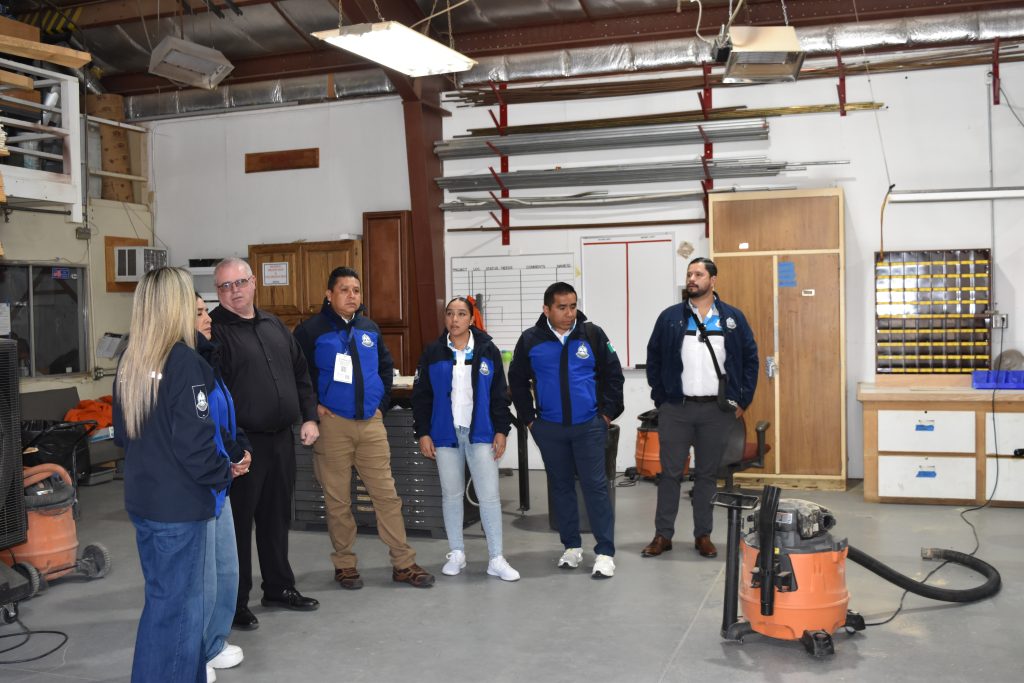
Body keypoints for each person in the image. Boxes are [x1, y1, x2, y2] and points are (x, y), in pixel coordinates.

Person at [113, 267, 236, 683]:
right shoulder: (185, 362)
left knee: (163, 606)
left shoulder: (131, 361)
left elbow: (124, 436)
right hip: (178, 510)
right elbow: (196, 446)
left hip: (145, 501)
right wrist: (226, 471)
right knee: (181, 612)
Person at [293, 267, 435, 589]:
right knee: (338, 501)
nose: (352, 296)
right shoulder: (310, 331)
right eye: (344, 290)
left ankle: (403, 562)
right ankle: (344, 564)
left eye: (356, 290)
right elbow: (296, 375)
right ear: (329, 295)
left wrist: (380, 406)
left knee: (387, 496)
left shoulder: (369, 328)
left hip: (370, 425)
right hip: (333, 427)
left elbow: (385, 368)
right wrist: (311, 408)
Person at [209, 258, 320, 630]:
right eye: (225, 286)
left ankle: (278, 587)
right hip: (244, 447)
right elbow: (215, 394)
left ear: (254, 282)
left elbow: (301, 371)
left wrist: (309, 416)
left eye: (240, 282)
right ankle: (236, 602)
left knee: (276, 518)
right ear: (218, 291)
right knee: (238, 526)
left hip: (281, 441)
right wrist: (233, 447)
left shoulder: (274, 325)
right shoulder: (214, 333)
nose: (234, 291)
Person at [642, 257, 759, 560]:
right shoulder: (670, 317)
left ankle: (703, 536)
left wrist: (742, 401)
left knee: (706, 475)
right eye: (689, 274)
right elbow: (653, 357)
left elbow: (750, 360)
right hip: (676, 409)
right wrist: (661, 398)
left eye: (698, 274)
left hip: (715, 412)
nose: (692, 279)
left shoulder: (732, 318)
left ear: (713, 280)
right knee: (669, 474)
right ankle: (662, 535)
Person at [509, 282, 624, 579]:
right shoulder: (531, 340)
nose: (569, 313)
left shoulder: (592, 335)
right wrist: (530, 420)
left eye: (573, 306)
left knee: (595, 488)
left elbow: (613, 375)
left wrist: (607, 414)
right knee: (560, 488)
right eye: (562, 307)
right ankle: (571, 547)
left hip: (588, 427)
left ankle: (605, 552)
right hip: (550, 429)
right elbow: (517, 381)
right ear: (546, 309)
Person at [411, 297, 519, 581]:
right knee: (452, 496)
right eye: (450, 314)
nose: (454, 319)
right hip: (445, 434)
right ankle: (456, 552)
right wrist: (423, 432)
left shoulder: (487, 350)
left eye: (461, 314)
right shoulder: (433, 351)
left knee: (489, 497)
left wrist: (501, 430)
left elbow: (499, 395)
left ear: (472, 319)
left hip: (480, 433)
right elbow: (421, 396)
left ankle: (496, 557)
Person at [195, 295, 252, 681]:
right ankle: (193, 652)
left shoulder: (209, 361)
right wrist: (221, 463)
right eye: (199, 312)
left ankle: (214, 643)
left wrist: (240, 449)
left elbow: (226, 416)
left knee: (227, 571)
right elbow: (192, 435)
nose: (208, 317)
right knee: (203, 579)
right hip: (200, 487)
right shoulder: (180, 368)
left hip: (222, 483)